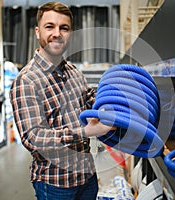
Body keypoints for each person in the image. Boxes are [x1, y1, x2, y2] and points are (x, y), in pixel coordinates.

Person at [9, 2, 114, 200]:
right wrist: (85, 132)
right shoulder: (27, 81)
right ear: (37, 32)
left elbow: (91, 100)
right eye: (50, 27)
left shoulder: (75, 73)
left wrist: (115, 105)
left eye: (64, 28)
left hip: (87, 176)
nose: (57, 33)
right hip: (56, 183)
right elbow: (33, 138)